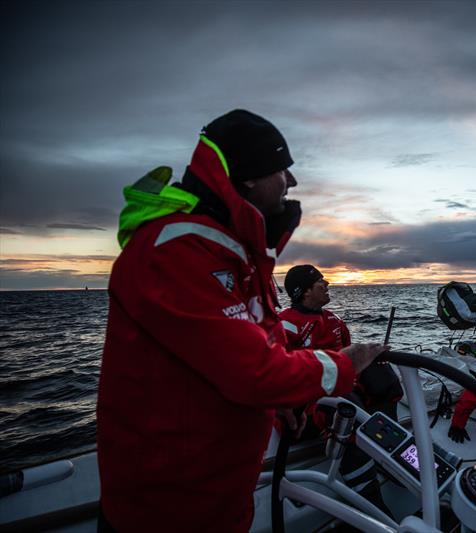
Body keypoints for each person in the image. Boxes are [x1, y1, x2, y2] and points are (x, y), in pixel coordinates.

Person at [96, 109, 386, 532]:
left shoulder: (239, 257)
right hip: (169, 509)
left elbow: (249, 350)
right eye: (282, 168)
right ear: (248, 176)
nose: (293, 181)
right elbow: (254, 371)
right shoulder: (171, 252)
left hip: (223, 499)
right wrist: (347, 362)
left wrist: (279, 402)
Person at [278, 264, 401, 512]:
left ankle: (388, 453)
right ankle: (371, 502)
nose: (327, 284)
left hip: (339, 390)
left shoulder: (333, 320)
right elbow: (278, 375)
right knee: (347, 406)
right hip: (303, 408)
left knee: (383, 377)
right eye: (319, 282)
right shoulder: (284, 326)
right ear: (304, 292)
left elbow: (350, 359)